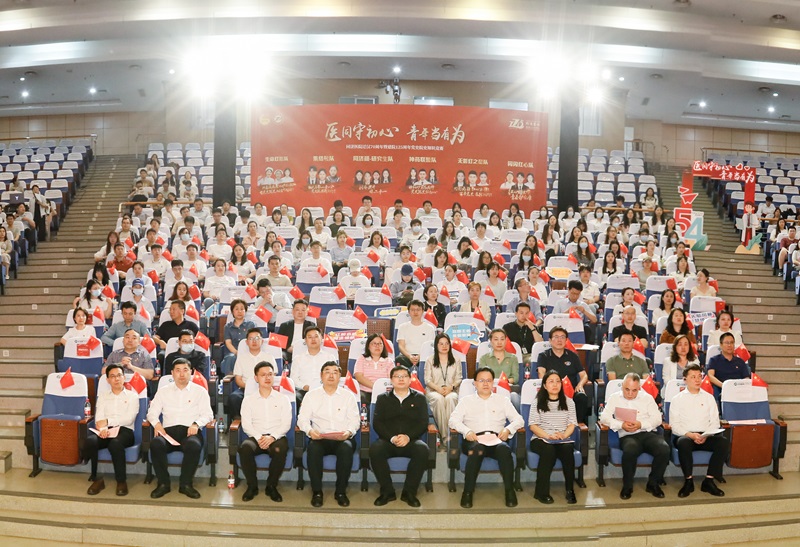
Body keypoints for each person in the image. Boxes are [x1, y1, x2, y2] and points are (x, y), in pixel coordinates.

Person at [449, 367, 524, 509]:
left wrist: (508, 429)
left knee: (504, 449)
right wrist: (466, 431)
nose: (485, 384)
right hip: (474, 440)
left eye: (489, 380)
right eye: (481, 380)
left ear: (493, 383)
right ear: (475, 383)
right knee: (477, 449)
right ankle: (467, 492)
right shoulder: (466, 401)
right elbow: (453, 421)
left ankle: (510, 491)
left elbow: (519, 420)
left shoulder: (503, 400)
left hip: (496, 439)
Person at [147, 358, 214, 499]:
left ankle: (186, 484)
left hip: (189, 432)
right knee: (156, 444)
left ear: (191, 372)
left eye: (185, 370)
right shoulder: (163, 391)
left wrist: (196, 424)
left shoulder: (200, 391)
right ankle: (163, 484)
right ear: (172, 373)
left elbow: (208, 414)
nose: (182, 374)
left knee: (193, 445)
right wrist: (156, 424)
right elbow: (152, 413)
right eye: (178, 370)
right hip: (167, 432)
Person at [297, 362, 360, 507]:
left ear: (340, 377)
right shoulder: (311, 396)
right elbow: (302, 419)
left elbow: (355, 420)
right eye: (327, 372)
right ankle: (317, 492)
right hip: (320, 437)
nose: (331, 375)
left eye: (335, 372)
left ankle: (340, 492)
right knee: (313, 449)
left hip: (342, 437)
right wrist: (310, 431)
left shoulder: (348, 396)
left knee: (346, 448)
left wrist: (349, 432)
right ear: (321, 376)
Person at [599, 372, 670, 499]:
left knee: (664, 449)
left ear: (639, 388)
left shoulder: (647, 398)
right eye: (627, 389)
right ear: (622, 386)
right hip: (627, 435)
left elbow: (657, 419)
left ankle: (653, 483)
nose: (630, 394)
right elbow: (604, 418)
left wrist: (641, 424)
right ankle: (627, 486)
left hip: (647, 433)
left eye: (634, 390)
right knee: (630, 450)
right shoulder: (614, 398)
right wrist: (621, 425)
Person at [370, 365, 429, 507]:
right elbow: (377, 423)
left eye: (404, 376)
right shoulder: (383, 398)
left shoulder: (420, 398)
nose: (401, 379)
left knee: (422, 449)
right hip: (388, 440)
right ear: (391, 380)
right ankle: (387, 491)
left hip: (411, 440)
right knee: (375, 449)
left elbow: (423, 423)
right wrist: (392, 438)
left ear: (410, 379)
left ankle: (409, 493)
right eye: (397, 376)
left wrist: (408, 437)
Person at [669, 364, 728, 498]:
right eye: (693, 377)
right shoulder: (677, 399)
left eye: (699, 377)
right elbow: (674, 425)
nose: (697, 380)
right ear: (685, 379)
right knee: (683, 443)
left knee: (723, 442)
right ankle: (688, 481)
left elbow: (715, 422)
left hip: (705, 435)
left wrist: (706, 435)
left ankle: (709, 480)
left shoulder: (709, 397)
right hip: (686, 435)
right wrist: (690, 435)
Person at [239, 361, 292, 503]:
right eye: (263, 375)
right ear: (256, 378)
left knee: (280, 449)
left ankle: (271, 486)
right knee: (245, 448)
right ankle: (252, 486)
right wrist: (259, 437)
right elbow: (246, 425)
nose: (267, 378)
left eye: (270, 374)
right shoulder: (248, 400)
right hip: (255, 436)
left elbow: (286, 423)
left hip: (276, 436)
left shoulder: (283, 399)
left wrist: (272, 437)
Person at [85, 364, 140, 497]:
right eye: (113, 376)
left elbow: (129, 419)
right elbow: (99, 418)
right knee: (90, 441)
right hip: (106, 430)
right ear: (108, 380)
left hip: (125, 431)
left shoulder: (132, 396)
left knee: (115, 444)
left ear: (124, 377)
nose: (116, 379)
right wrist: (103, 428)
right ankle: (96, 478)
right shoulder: (103, 396)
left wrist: (108, 422)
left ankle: (121, 481)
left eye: (119, 375)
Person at [528, 370, 578, 505]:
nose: (555, 384)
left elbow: (572, 424)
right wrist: (548, 436)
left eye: (558, 381)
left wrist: (563, 435)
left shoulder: (569, 402)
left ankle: (570, 490)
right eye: (551, 381)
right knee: (548, 450)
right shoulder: (537, 402)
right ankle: (541, 492)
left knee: (568, 449)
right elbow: (533, 426)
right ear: (545, 385)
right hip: (540, 438)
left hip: (561, 438)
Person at [537, 327, 589, 424]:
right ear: (550, 340)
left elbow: (584, 375)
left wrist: (580, 384)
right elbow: (541, 374)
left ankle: (576, 425)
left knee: (582, 397)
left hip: (570, 391)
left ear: (566, 340)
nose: (559, 340)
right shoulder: (543, 356)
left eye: (562, 337)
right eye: (556, 337)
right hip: (552, 391)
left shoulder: (573, 356)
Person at [229, 328, 278, 419]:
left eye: (257, 338)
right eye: (251, 339)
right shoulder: (241, 358)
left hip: (266, 388)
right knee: (234, 397)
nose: (254, 341)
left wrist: (262, 386)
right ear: (247, 342)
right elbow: (238, 379)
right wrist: (249, 387)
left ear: (262, 341)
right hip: (245, 388)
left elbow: (273, 376)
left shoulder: (269, 357)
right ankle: (239, 421)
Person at [424, 333, 462, 447]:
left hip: (452, 390)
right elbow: (427, 380)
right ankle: (446, 437)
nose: (444, 346)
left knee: (451, 399)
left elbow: (459, 378)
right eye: (441, 344)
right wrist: (438, 388)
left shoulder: (456, 360)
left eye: (446, 343)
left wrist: (451, 387)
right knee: (439, 399)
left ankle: (449, 434)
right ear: (436, 346)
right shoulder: (430, 360)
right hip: (434, 391)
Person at [289, 326, 336, 405]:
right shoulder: (298, 359)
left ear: (321, 339)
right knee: (296, 397)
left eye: (316, 336)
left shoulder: (329, 357)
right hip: (304, 391)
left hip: (325, 390)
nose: (313, 339)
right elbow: (293, 378)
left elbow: (334, 376)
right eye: (310, 337)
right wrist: (304, 386)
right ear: (305, 340)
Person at [477, 329, 520, 410]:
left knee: (514, 397)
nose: (499, 342)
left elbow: (515, 378)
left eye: (502, 339)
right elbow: (481, 377)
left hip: (507, 389)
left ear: (506, 341)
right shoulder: (484, 358)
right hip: (489, 389)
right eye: (496, 339)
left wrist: (503, 382)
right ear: (491, 341)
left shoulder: (513, 358)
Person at [353, 333, 394, 404]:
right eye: (374, 344)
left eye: (380, 344)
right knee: (361, 398)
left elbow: (392, 378)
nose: (377, 346)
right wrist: (375, 387)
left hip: (383, 392)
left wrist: (381, 388)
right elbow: (359, 377)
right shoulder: (362, 359)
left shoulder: (389, 361)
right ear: (368, 346)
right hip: (365, 392)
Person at [396, 300, 436, 370]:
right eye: (413, 310)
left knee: (431, 360)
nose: (415, 312)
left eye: (418, 310)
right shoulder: (402, 327)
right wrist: (409, 356)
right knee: (399, 359)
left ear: (423, 311)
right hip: (406, 356)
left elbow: (429, 346)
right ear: (409, 312)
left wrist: (419, 357)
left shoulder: (430, 328)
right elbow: (401, 346)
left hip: (424, 356)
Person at [220, 299, 255, 376]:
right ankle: (229, 379)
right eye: (236, 309)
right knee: (231, 358)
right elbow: (228, 343)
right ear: (232, 312)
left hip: (248, 352)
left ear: (245, 311)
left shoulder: (251, 325)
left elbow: (253, 340)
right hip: (233, 352)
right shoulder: (228, 327)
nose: (239, 311)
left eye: (242, 309)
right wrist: (236, 352)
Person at [276, 299, 315, 364]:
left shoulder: (311, 325)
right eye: (297, 310)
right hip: (288, 353)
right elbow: (279, 343)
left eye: (303, 310)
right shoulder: (285, 325)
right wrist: (288, 348)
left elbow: (314, 341)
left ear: (307, 312)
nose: (300, 312)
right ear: (293, 312)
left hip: (305, 352)